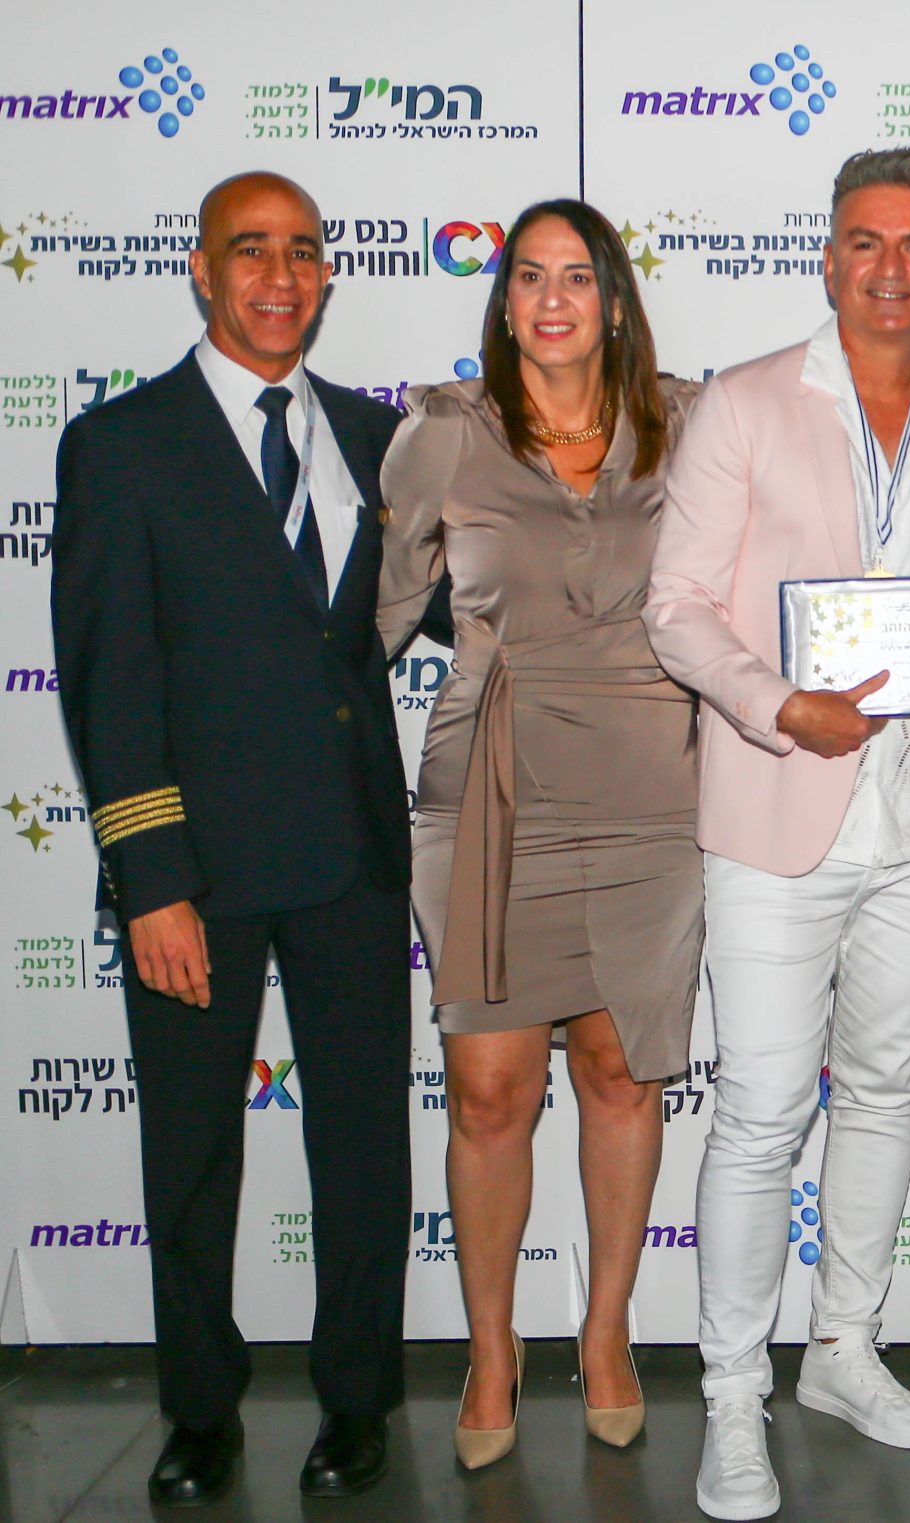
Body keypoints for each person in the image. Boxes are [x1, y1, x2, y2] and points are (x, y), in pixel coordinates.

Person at [646, 145, 910, 1523]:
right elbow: (677, 605)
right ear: (828, 258)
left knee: (882, 1089)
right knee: (762, 1109)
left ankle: (844, 1348)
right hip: (775, 811)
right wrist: (775, 703)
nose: (891, 267)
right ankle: (731, 1391)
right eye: (866, 241)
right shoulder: (745, 401)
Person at [48, 171, 411, 1505]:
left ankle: (358, 1400)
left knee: (363, 1145)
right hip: (195, 873)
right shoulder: (121, 443)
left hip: (354, 857)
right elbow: (109, 678)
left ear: (328, 275)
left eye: (303, 250)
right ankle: (199, 1406)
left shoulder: (381, 438)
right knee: (194, 1153)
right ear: (200, 270)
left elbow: (448, 610)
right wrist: (150, 878)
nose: (280, 274)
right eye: (250, 250)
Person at [378, 198, 704, 1469]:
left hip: (650, 796)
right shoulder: (444, 434)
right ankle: (492, 1346)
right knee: (489, 1087)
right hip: (491, 789)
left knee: (622, 1072)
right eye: (529, 277)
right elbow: (378, 614)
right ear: (503, 300)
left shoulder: (684, 423)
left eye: (577, 276)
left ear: (614, 301)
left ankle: (607, 1329)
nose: (552, 298)